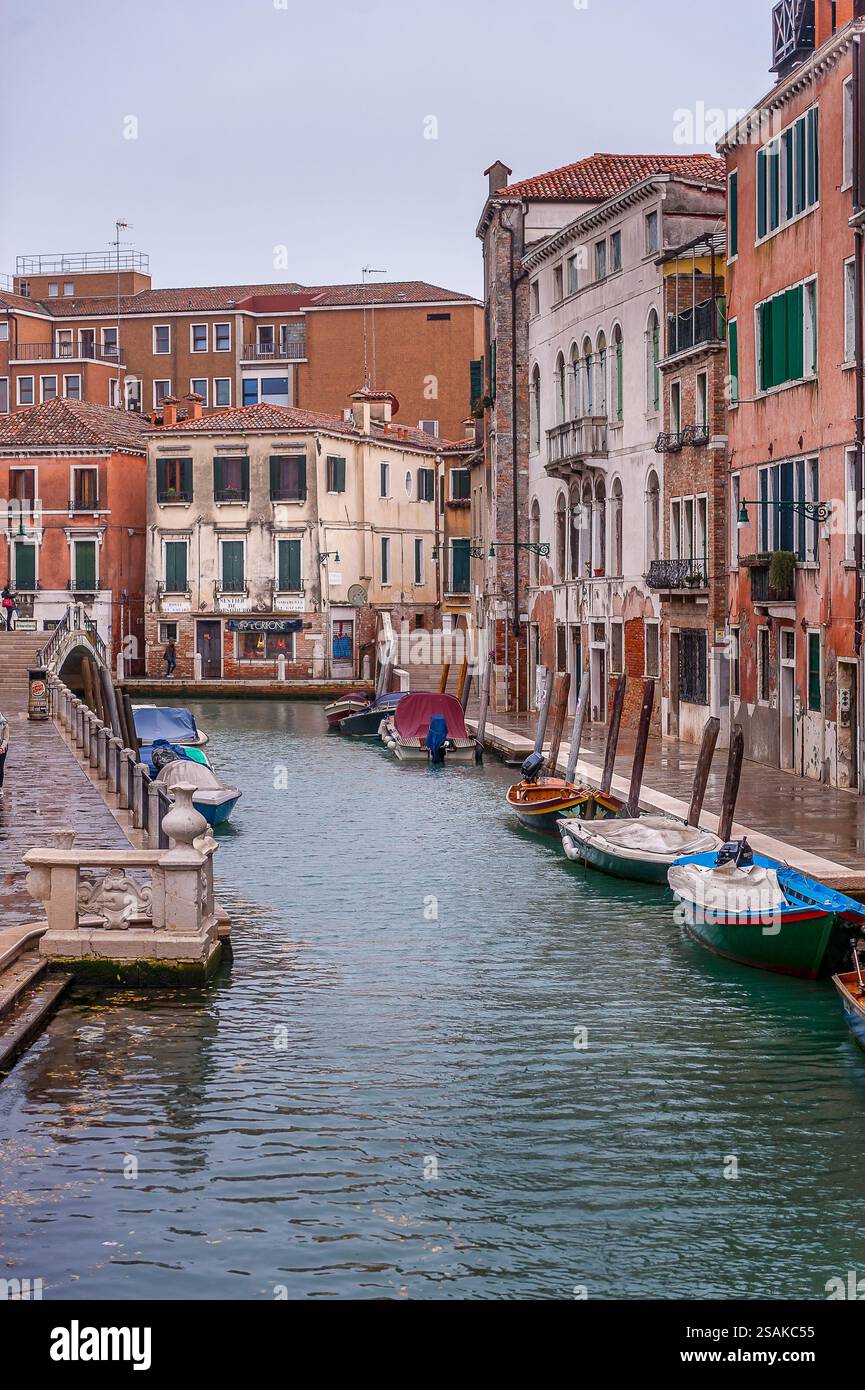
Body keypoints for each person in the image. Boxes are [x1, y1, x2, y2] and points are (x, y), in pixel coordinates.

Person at [0, 710, 9, 791]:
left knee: (0, 767)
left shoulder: (4, 724)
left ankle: (0, 787)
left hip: (2, 748)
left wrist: (2, 747)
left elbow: (6, 739)